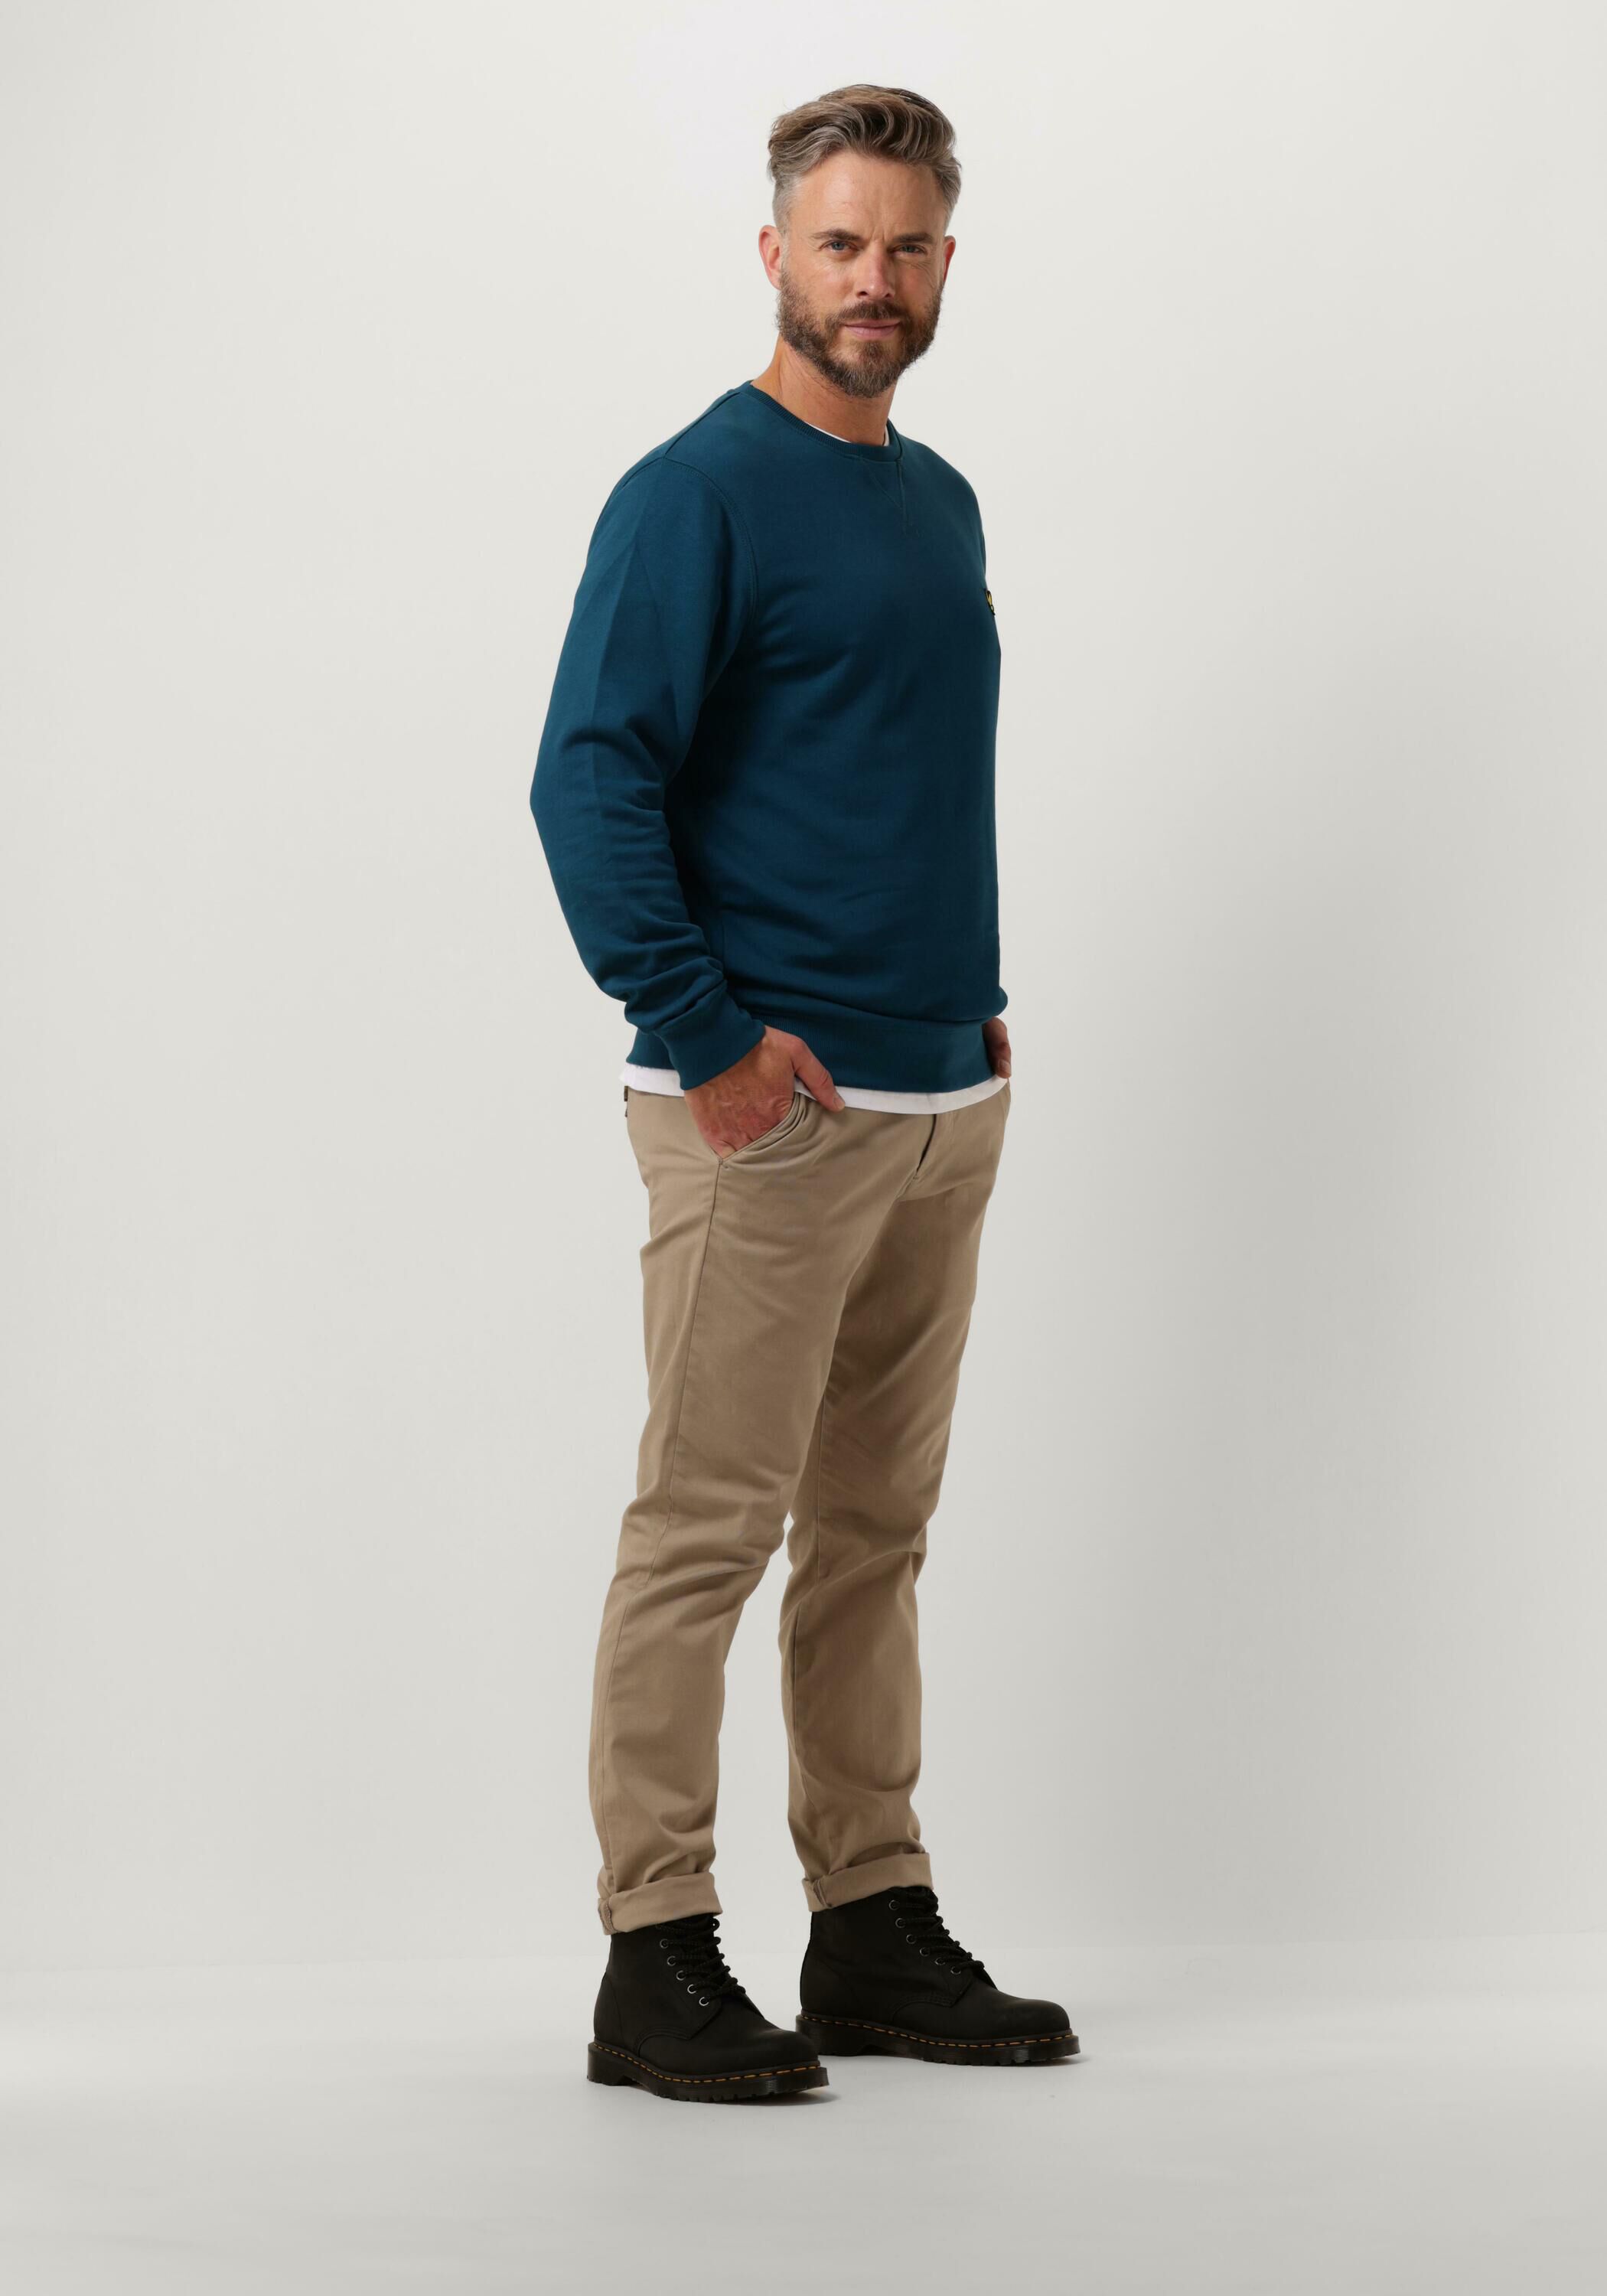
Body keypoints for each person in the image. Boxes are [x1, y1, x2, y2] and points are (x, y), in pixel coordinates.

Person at [530, 83, 1078, 2102]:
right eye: (842, 243)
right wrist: (705, 1035)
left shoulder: (937, 503)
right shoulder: (697, 493)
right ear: (775, 254)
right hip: (761, 1113)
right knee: (706, 1527)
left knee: (872, 1532)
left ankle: (868, 1918)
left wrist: (966, 1002)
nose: (876, 279)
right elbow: (589, 777)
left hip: (936, 1106)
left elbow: (899, 768)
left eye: (908, 245)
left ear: (946, 262)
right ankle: (653, 1950)